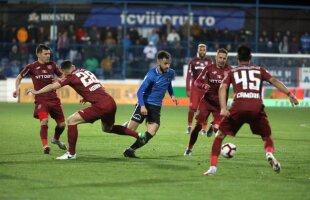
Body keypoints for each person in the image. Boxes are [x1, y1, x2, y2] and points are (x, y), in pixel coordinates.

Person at [204, 45, 299, 176]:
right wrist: (289, 94)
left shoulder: (232, 72)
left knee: (219, 135)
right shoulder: (259, 70)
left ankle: (213, 168)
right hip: (256, 107)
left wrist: (224, 108)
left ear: (237, 57)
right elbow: (274, 80)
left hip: (238, 107)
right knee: (266, 136)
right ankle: (269, 153)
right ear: (251, 57)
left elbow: (222, 88)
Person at [27, 60, 144, 160]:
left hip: (101, 106)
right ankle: (138, 135)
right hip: (110, 102)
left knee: (71, 120)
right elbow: (97, 86)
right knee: (108, 128)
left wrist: (37, 92)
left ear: (64, 72)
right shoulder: (85, 71)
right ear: (73, 66)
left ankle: (71, 154)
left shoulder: (70, 77)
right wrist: (86, 96)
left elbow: (52, 86)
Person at [123, 50, 178, 158]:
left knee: (152, 132)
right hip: (144, 104)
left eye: (169, 63)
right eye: (165, 63)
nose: (168, 66)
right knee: (130, 130)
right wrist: (142, 106)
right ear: (158, 62)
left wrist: (172, 95)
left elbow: (168, 84)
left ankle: (130, 150)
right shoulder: (151, 75)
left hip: (156, 107)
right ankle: (127, 124)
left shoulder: (171, 73)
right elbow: (140, 92)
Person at [12, 44, 66, 154]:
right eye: (45, 54)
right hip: (41, 100)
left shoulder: (53, 65)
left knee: (62, 125)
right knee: (44, 121)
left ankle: (55, 139)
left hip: (53, 99)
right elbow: (19, 78)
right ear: (38, 54)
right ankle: (45, 145)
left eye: (49, 54)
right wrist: (17, 89)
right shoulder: (31, 67)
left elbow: (64, 77)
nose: (48, 56)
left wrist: (58, 79)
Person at [184, 48, 232, 156]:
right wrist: (204, 85)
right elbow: (197, 82)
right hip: (206, 102)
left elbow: (237, 84)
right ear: (216, 57)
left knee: (218, 129)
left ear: (226, 59)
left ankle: (217, 146)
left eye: (224, 58)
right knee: (198, 126)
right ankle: (189, 148)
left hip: (220, 105)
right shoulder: (209, 68)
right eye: (220, 57)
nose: (222, 60)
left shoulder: (230, 70)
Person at [186, 44, 212, 135]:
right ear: (198, 51)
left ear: (206, 51)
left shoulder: (210, 62)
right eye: (200, 50)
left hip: (205, 88)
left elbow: (211, 76)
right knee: (192, 108)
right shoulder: (193, 61)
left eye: (203, 50)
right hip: (195, 88)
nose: (202, 51)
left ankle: (203, 128)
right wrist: (188, 88)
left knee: (205, 109)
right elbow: (189, 75)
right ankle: (189, 126)